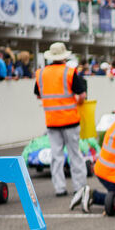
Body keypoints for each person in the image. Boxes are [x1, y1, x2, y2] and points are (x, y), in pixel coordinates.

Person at [34, 42, 90, 205]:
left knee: (56, 156)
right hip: (70, 119)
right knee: (75, 154)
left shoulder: (41, 73)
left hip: (52, 120)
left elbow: (39, 95)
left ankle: (59, 188)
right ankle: (79, 186)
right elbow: (81, 95)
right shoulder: (69, 72)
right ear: (64, 56)